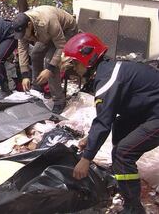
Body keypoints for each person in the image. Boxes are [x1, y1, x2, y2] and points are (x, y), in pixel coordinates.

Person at [64, 33, 159, 214]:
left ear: (87, 58)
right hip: (148, 110)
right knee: (119, 134)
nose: (74, 68)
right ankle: (124, 179)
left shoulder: (108, 79)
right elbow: (105, 116)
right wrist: (89, 138)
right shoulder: (108, 71)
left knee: (124, 152)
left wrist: (86, 159)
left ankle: (133, 209)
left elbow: (103, 121)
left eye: (75, 63)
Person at [14, 5, 77, 114]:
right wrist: (25, 75)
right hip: (48, 34)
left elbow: (60, 46)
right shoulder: (23, 28)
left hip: (67, 30)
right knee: (35, 54)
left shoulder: (47, 21)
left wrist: (49, 69)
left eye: (24, 33)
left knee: (50, 60)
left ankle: (59, 100)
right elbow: (22, 49)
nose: (23, 36)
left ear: (29, 25)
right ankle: (37, 88)